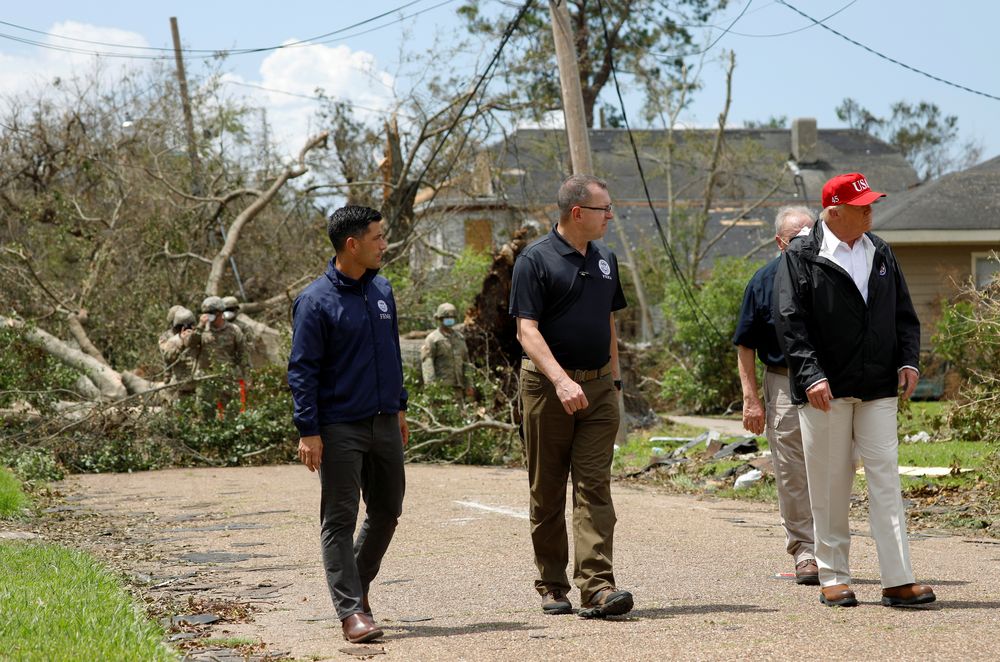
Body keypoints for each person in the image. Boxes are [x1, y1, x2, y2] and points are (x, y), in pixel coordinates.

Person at [773, 172, 935, 608]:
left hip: (879, 384)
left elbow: (903, 311)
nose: (870, 211)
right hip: (825, 388)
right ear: (833, 211)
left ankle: (898, 580)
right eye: (862, 205)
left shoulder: (880, 250)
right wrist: (811, 375)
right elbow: (790, 320)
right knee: (829, 484)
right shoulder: (801, 255)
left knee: (886, 479)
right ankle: (834, 577)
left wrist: (908, 359)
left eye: (871, 204)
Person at [509, 174, 631, 618]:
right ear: (578, 213)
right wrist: (561, 380)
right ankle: (552, 583)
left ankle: (598, 587)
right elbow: (527, 331)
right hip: (546, 389)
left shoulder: (606, 259)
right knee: (547, 489)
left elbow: (609, 323)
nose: (610, 216)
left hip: (599, 388)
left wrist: (614, 382)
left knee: (594, 486)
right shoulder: (534, 260)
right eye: (604, 209)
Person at [287, 205, 409, 644]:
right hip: (339, 426)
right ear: (352, 244)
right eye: (377, 237)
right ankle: (351, 611)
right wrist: (308, 430)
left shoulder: (382, 291)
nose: (384, 243)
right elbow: (302, 370)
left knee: (388, 510)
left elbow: (392, 353)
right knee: (339, 518)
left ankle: (357, 588)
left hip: (384, 420)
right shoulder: (315, 301)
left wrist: (399, 407)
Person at [733, 206, 818, 585]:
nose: (803, 238)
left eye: (809, 232)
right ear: (779, 242)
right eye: (795, 234)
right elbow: (745, 344)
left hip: (831, 381)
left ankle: (832, 545)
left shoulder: (832, 272)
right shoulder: (763, 280)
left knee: (839, 463)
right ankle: (805, 551)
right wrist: (752, 400)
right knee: (791, 469)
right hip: (783, 381)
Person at [197, 295, 249, 416]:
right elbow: (190, 343)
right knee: (205, 415)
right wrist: (200, 326)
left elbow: (243, 355)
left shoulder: (234, 330)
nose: (207, 315)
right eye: (205, 313)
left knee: (232, 414)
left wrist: (246, 378)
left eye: (210, 313)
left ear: (220, 313)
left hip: (228, 378)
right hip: (207, 378)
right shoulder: (201, 331)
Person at [420, 302, 473, 399]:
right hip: (440, 390)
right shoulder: (432, 339)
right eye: (446, 318)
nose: (450, 320)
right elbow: (427, 364)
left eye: (452, 318)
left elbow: (466, 363)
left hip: (458, 390)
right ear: (439, 319)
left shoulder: (460, 338)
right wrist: (431, 387)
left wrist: (469, 384)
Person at [159, 306, 200, 396]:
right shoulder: (167, 337)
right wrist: (180, 341)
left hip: (196, 378)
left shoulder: (197, 335)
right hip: (176, 377)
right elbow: (167, 357)